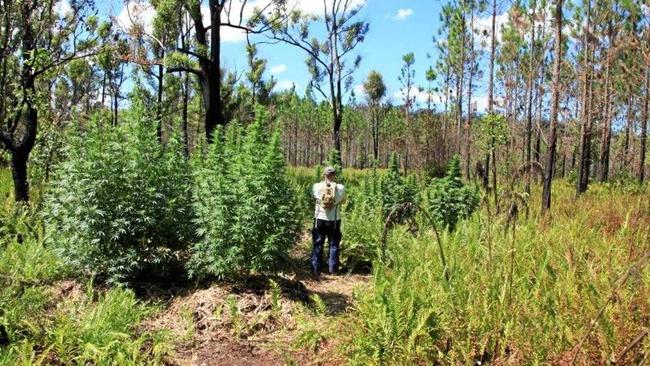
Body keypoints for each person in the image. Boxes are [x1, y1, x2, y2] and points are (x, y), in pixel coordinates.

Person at [311, 166, 345, 278]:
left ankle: (316, 269)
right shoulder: (340, 188)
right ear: (334, 175)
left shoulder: (316, 186)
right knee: (334, 244)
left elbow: (314, 197)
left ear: (324, 175)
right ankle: (333, 269)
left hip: (319, 218)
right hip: (334, 219)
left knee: (318, 243)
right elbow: (342, 200)